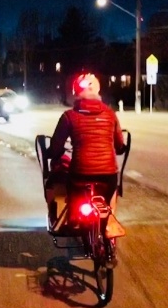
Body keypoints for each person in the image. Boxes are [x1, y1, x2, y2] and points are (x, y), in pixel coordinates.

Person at [47, 73, 127, 238]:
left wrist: (54, 154)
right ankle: (108, 223)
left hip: (80, 173)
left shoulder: (69, 116)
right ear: (98, 90)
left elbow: (56, 146)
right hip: (108, 175)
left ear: (76, 92)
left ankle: (74, 220)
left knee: (72, 190)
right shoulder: (110, 114)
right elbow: (119, 147)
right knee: (110, 196)